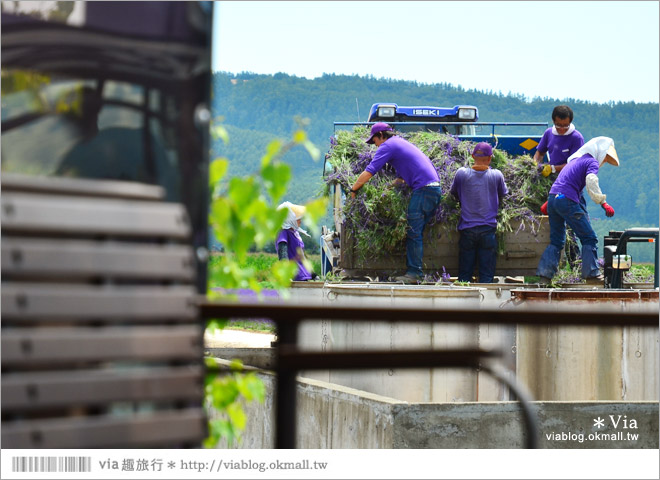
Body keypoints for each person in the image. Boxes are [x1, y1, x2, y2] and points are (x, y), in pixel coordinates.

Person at [350, 122, 442, 284]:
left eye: (375, 141)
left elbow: (370, 171)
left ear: (381, 135)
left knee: (413, 231)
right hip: (432, 189)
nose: (375, 145)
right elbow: (403, 178)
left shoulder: (388, 146)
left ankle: (414, 274)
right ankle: (415, 271)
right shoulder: (400, 143)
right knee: (416, 231)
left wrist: (354, 189)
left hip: (425, 190)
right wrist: (388, 187)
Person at [536, 136, 619, 285]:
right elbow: (591, 181)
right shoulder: (591, 162)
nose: (604, 162)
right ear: (600, 152)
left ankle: (545, 277)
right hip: (566, 200)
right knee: (589, 237)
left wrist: (550, 203)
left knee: (556, 241)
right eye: (605, 158)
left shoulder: (574, 162)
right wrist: (603, 202)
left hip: (554, 199)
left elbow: (562, 183)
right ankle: (591, 274)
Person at [449, 142, 509, 283]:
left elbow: (453, 193)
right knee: (486, 275)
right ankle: (485, 300)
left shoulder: (461, 174)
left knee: (464, 274)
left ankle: (464, 300)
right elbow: (503, 194)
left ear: (472, 156)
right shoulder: (496, 175)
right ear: (490, 158)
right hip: (488, 230)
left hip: (467, 230)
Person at [533, 105, 584, 175]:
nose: (562, 129)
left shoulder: (576, 138)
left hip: (569, 178)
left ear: (570, 122)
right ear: (554, 121)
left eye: (565, 125)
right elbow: (540, 153)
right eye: (558, 125)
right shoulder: (549, 133)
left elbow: (575, 164)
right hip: (552, 176)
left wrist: (553, 168)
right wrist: (535, 164)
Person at [275, 201, 317, 281]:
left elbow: (302, 256)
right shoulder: (283, 233)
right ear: (289, 219)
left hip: (303, 276)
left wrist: (312, 274)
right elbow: (283, 254)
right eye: (297, 218)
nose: (300, 220)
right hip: (295, 277)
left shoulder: (295, 233)